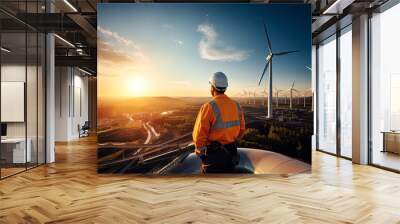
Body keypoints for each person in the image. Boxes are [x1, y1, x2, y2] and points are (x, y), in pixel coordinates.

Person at [192, 72, 246, 173]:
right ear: (225, 87)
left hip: (214, 158)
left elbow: (199, 136)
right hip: (232, 154)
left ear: (212, 87)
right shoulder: (237, 105)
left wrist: (203, 157)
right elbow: (242, 130)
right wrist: (231, 141)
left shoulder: (208, 107)